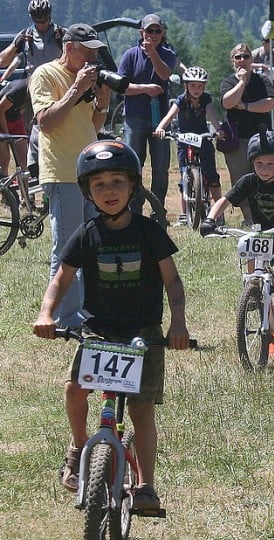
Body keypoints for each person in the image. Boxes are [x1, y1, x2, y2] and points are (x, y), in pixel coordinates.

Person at [32, 140, 190, 510]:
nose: (109, 191)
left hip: (144, 334)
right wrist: (46, 313)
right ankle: (77, 445)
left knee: (141, 410)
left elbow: (173, 282)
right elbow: (61, 278)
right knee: (74, 389)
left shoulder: (149, 232)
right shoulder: (87, 234)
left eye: (117, 181)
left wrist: (178, 323)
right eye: (99, 184)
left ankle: (147, 486)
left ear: (133, 186)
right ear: (88, 191)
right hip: (99, 331)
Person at [201, 129, 274, 356]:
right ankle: (254, 293)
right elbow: (224, 200)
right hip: (264, 235)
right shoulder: (248, 182)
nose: (264, 169)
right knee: (250, 251)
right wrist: (210, 219)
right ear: (252, 162)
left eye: (270, 164)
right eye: (259, 163)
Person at [29, 23, 112, 327]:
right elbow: (46, 122)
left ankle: (87, 312)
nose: (92, 58)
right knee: (67, 247)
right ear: (69, 47)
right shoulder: (46, 75)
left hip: (89, 171)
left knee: (93, 244)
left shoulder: (86, 76)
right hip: (63, 171)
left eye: (95, 52)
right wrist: (76, 88)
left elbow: (94, 122)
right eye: (87, 51)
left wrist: (101, 99)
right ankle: (64, 318)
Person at [117, 14, 177, 220]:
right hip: (134, 118)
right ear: (141, 32)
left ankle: (158, 211)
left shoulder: (167, 53)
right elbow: (121, 87)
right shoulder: (130, 55)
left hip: (160, 119)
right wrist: (144, 89)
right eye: (149, 31)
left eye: (157, 31)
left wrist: (153, 55)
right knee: (134, 165)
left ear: (162, 33)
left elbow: (165, 74)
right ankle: (134, 210)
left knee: (161, 167)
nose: (153, 35)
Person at [0, 0, 65, 179]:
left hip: (57, 89)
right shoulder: (26, 35)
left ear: (50, 17)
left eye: (44, 20)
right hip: (33, 92)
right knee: (33, 140)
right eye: (38, 21)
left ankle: (51, 183)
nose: (42, 25)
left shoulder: (60, 33)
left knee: (54, 137)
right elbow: (3, 61)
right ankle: (36, 184)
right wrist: (16, 45)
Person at [153, 66, 223, 225]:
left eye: (200, 86)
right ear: (186, 86)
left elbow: (211, 114)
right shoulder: (181, 100)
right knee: (184, 174)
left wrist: (218, 129)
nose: (197, 89)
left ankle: (219, 213)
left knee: (212, 175)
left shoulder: (206, 99)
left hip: (203, 137)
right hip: (184, 139)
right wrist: (160, 128)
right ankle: (185, 214)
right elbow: (170, 115)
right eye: (193, 85)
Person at [220, 43, 274, 226]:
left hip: (261, 139)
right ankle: (250, 218)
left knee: (266, 177)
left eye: (246, 56)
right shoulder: (228, 82)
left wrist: (245, 106)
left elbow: (270, 103)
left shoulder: (263, 81)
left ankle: (268, 216)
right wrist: (242, 83)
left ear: (252, 60)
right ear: (233, 61)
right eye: (238, 57)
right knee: (241, 181)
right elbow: (228, 102)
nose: (242, 60)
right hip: (237, 141)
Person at [0, 78, 30, 175]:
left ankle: (24, 189)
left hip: (15, 118)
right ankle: (2, 189)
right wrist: (6, 133)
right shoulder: (20, 89)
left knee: (24, 159)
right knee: (4, 161)